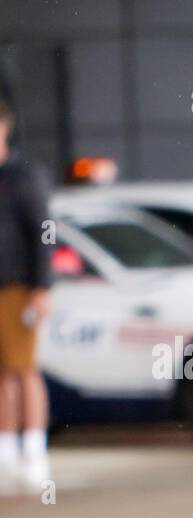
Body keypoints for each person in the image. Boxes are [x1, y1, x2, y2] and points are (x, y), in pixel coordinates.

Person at [0, 100, 53, 494]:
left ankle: (34, 451)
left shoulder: (22, 176)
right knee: (3, 373)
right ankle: (6, 452)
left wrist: (42, 287)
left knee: (24, 368)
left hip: (18, 287)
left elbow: (43, 233)